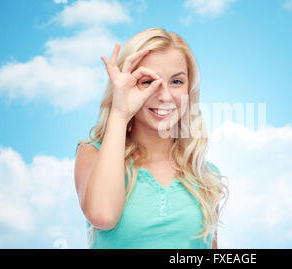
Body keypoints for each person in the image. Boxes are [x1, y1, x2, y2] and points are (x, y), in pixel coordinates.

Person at [74, 27, 229, 249]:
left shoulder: (205, 175)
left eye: (176, 82)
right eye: (147, 82)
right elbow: (102, 215)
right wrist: (120, 113)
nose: (164, 96)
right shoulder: (92, 153)